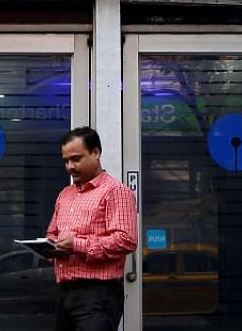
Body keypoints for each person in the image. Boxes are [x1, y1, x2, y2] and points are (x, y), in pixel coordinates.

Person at [46, 126, 138, 331]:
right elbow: (52, 233)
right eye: (66, 161)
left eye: (76, 159)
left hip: (98, 295)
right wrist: (50, 246)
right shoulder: (65, 194)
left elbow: (126, 239)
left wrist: (76, 245)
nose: (70, 166)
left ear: (96, 153)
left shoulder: (115, 192)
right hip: (64, 292)